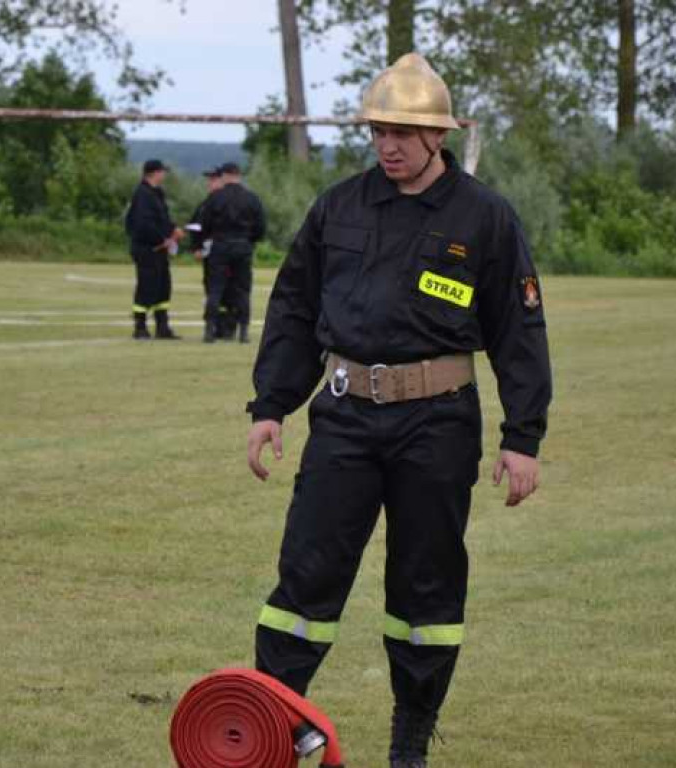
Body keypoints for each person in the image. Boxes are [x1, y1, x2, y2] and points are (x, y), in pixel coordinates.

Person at [245, 53, 552, 768]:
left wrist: (523, 436)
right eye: (380, 131)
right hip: (345, 417)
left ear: (438, 137)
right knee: (306, 576)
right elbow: (293, 308)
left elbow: (519, 330)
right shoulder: (339, 207)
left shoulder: (485, 218)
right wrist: (271, 405)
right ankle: (277, 723)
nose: (388, 146)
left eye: (404, 134)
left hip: (438, 424)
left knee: (425, 585)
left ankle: (410, 738)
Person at [198, 162, 266, 344]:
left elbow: (204, 224)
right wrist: (250, 240)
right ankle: (243, 332)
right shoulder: (252, 198)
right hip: (243, 246)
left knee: (215, 288)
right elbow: (260, 227)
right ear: (238, 175)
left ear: (225, 176)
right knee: (243, 290)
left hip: (220, 245)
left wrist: (210, 238)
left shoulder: (215, 197)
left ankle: (209, 330)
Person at [124, 159, 184, 340]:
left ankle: (162, 326)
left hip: (160, 250)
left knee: (163, 287)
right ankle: (140, 327)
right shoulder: (143, 194)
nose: (164, 175)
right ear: (154, 173)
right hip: (147, 249)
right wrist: (161, 239)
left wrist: (173, 230)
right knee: (146, 286)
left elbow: (162, 219)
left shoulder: (157, 193)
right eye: (162, 171)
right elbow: (143, 224)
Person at [188, 167, 239, 341]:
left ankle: (227, 326)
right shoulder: (206, 202)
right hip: (210, 253)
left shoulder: (225, 201)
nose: (209, 183)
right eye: (208, 179)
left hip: (224, 252)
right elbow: (196, 225)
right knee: (213, 290)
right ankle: (217, 325)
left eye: (213, 179)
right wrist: (196, 246)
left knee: (227, 290)